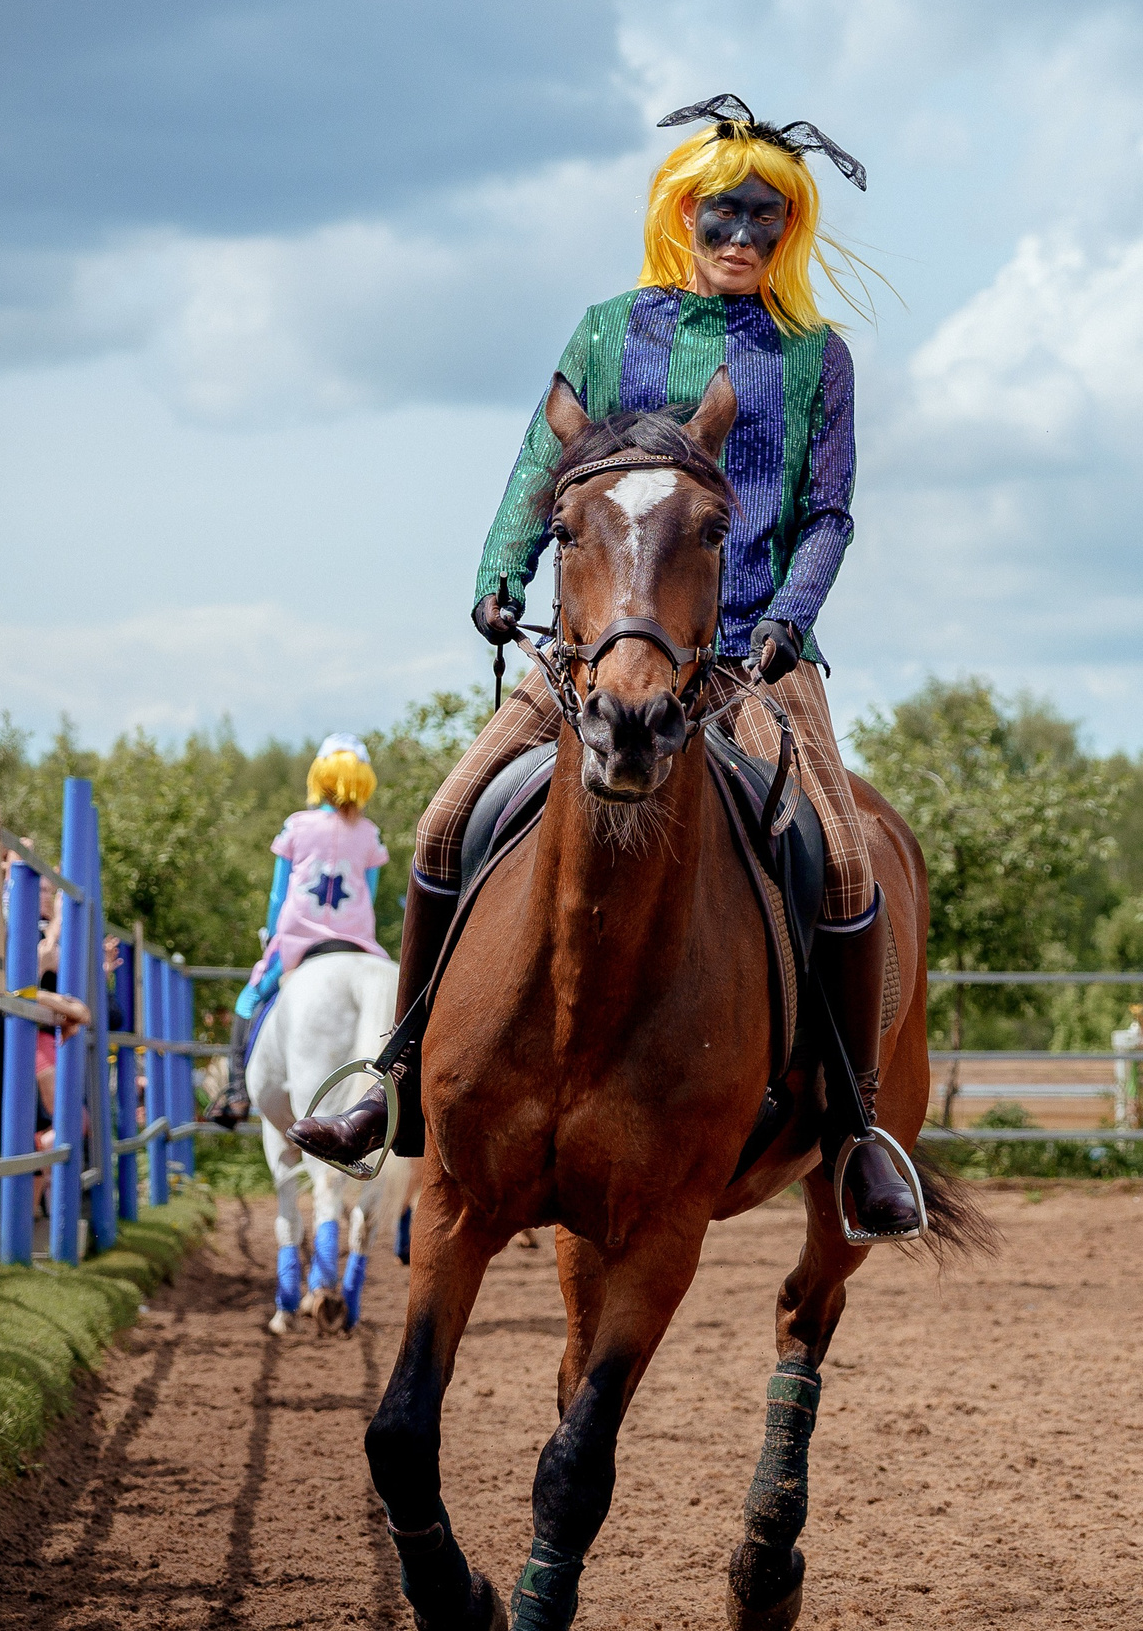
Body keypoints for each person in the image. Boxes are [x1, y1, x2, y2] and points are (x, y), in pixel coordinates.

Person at [289, 94, 922, 1239]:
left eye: (764, 217)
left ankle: (855, 1129)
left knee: (838, 857)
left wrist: (787, 615)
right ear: (681, 213)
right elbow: (544, 461)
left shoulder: (814, 357)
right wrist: (500, 573)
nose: (740, 234)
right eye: (720, 212)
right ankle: (393, 1074)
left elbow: (828, 514)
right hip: (598, 655)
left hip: (750, 655)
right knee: (443, 819)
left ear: (791, 228)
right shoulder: (605, 330)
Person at [208, 737, 391, 1125]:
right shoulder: (371, 834)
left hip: (300, 943)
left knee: (247, 1000)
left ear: (320, 777)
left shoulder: (296, 825)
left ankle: (237, 1093)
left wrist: (275, 936)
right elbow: (369, 898)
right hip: (357, 943)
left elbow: (279, 896)